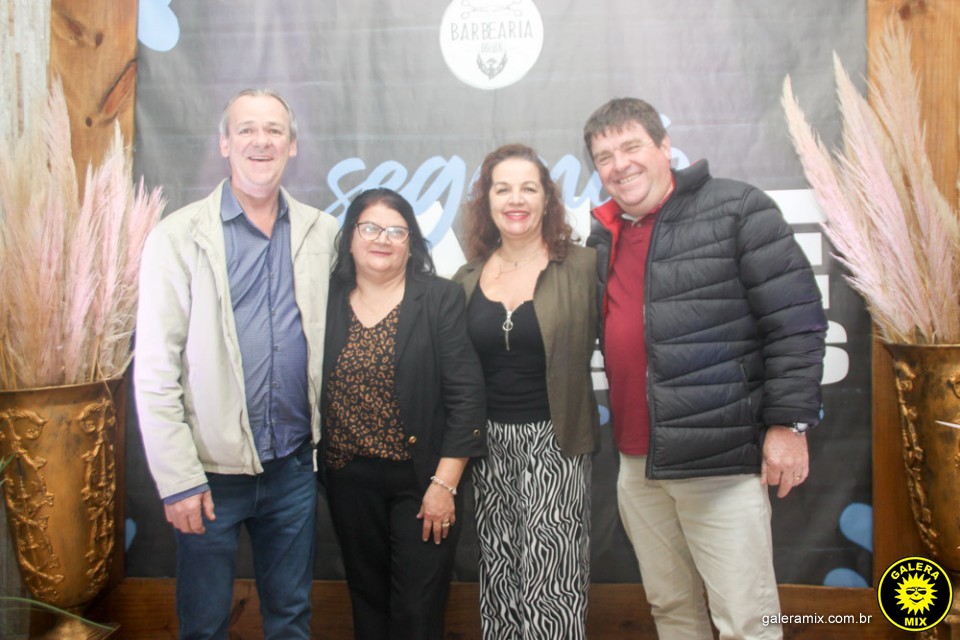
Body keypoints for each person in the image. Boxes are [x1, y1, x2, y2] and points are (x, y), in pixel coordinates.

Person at [583, 97, 827, 640]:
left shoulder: (737, 209)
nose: (620, 165)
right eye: (604, 157)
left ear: (664, 146)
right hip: (637, 463)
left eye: (631, 147)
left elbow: (796, 322)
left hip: (718, 463)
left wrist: (789, 425)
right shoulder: (601, 236)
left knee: (745, 620)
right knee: (672, 611)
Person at [134, 88, 339, 639]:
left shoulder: (323, 232)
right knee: (203, 626)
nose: (260, 141)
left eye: (274, 130)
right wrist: (178, 480)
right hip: (208, 476)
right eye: (246, 129)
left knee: (291, 619)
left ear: (292, 146)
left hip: (293, 470)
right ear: (225, 143)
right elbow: (154, 373)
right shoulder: (178, 237)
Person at [321, 187, 487, 639]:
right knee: (368, 606)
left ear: (411, 243)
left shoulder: (439, 298)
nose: (383, 239)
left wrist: (444, 485)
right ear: (350, 237)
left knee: (418, 613)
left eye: (397, 231)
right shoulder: (326, 299)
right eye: (370, 228)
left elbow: (467, 397)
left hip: (422, 483)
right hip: (348, 482)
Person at [453, 143, 600, 638]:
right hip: (488, 447)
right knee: (499, 575)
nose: (515, 199)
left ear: (546, 200)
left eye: (528, 188)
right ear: (487, 202)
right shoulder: (466, 279)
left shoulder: (583, 267)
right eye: (502, 189)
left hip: (557, 443)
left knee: (551, 582)